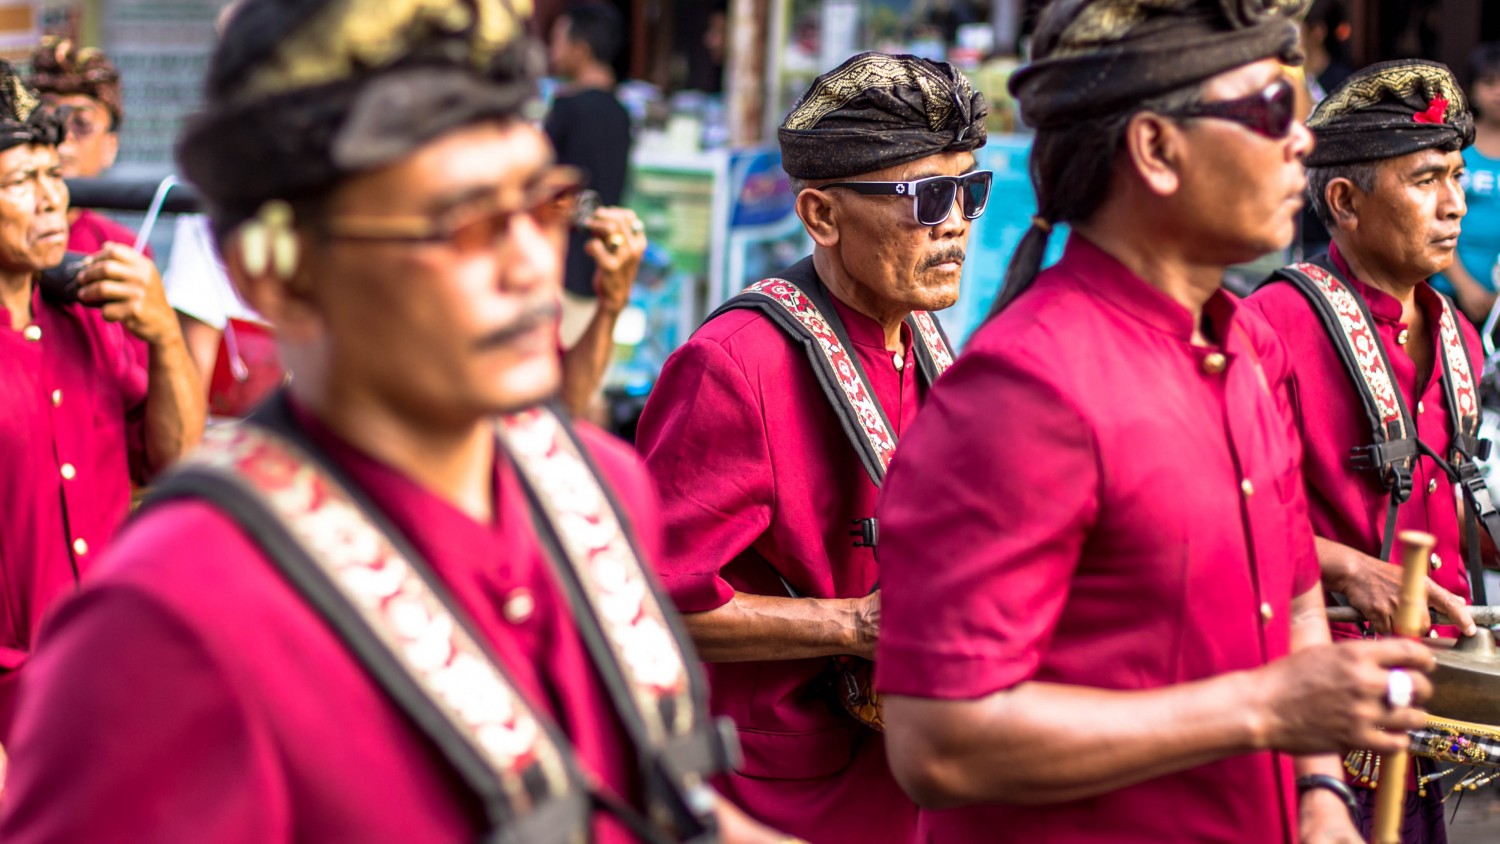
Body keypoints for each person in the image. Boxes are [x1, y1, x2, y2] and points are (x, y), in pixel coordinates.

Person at [0, 1, 784, 841]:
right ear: (276, 272)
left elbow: (672, 810)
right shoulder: (177, 620)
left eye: (542, 201)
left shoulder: (597, 483)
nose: (529, 261)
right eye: (463, 221)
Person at [873, 2, 1440, 843]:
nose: (1302, 143)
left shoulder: (1243, 345)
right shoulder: (1027, 388)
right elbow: (941, 746)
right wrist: (1260, 708)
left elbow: (1290, 602)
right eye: (1271, 111)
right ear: (1157, 151)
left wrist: (1319, 791)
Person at [636, 52, 987, 843]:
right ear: (822, 216)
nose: (957, 221)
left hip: (910, 773)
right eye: (927, 196)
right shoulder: (735, 363)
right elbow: (647, 601)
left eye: (969, 190)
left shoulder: (922, 334)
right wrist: (852, 626)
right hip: (787, 793)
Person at [1248, 60, 1487, 844]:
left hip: (1428, 710)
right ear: (1345, 202)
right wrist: (1350, 567)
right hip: (1321, 723)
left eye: (1457, 175)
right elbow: (1227, 518)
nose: (1453, 203)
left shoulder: (1456, 329)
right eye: (1425, 180)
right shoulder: (1271, 327)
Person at [0, 58, 202, 745]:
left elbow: (175, 467)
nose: (52, 198)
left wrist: (165, 337)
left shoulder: (89, 306)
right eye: (21, 182)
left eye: (52, 173)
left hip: (121, 685)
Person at [546, 1, 633, 348]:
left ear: (581, 50)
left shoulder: (567, 108)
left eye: (558, 42)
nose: (553, 52)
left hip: (562, 269)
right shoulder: (621, 112)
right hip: (602, 266)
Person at [26, 37, 146, 256]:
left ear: (110, 147)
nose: (63, 137)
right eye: (47, 121)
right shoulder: (9, 234)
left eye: (82, 124)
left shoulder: (123, 250)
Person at [1436, 43, 1500, 323]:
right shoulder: (1453, 147)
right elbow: (1431, 220)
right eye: (1488, 82)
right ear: (1472, 90)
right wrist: (1465, 286)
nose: (1498, 91)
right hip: (1449, 292)